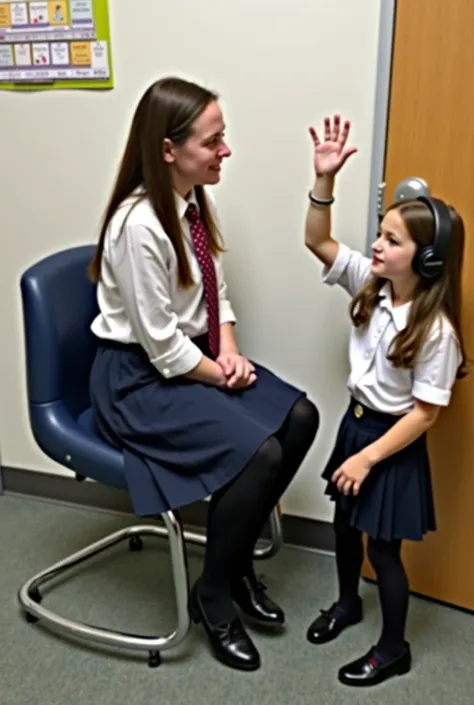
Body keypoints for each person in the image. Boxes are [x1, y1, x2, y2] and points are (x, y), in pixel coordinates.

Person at [87, 76, 319, 672]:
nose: (226, 151)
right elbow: (162, 349)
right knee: (261, 453)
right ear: (169, 149)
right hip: (136, 381)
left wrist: (232, 351)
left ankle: (234, 560)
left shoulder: (190, 201)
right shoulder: (138, 226)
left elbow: (216, 293)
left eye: (224, 138)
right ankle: (212, 595)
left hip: (193, 357)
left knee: (301, 417)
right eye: (213, 142)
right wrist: (224, 376)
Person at [303, 114, 467, 687]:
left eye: (391, 240)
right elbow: (317, 240)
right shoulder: (369, 285)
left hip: (390, 444)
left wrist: (369, 457)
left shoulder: (436, 331)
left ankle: (393, 647)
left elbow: (426, 413)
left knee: (386, 551)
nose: (375, 243)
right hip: (356, 426)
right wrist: (323, 181)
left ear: (426, 260)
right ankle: (347, 604)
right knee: (345, 528)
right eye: (380, 231)